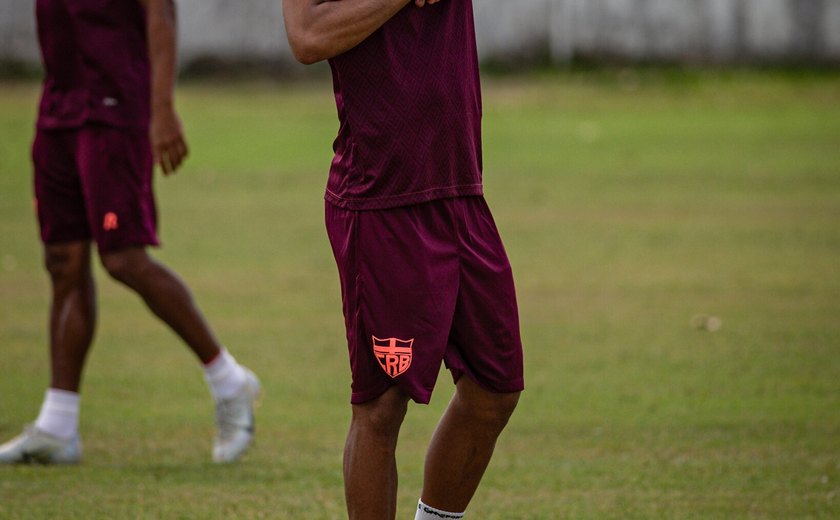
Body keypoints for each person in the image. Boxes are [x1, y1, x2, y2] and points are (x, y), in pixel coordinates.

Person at [283, 1, 525, 518]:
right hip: (381, 199)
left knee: (494, 390)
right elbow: (307, 35)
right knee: (381, 406)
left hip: (460, 188)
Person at [0, 0, 260, 465]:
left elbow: (162, 12)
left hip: (115, 106)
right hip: (59, 106)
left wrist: (161, 109)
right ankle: (58, 424)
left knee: (123, 259)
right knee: (63, 262)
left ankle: (229, 380)